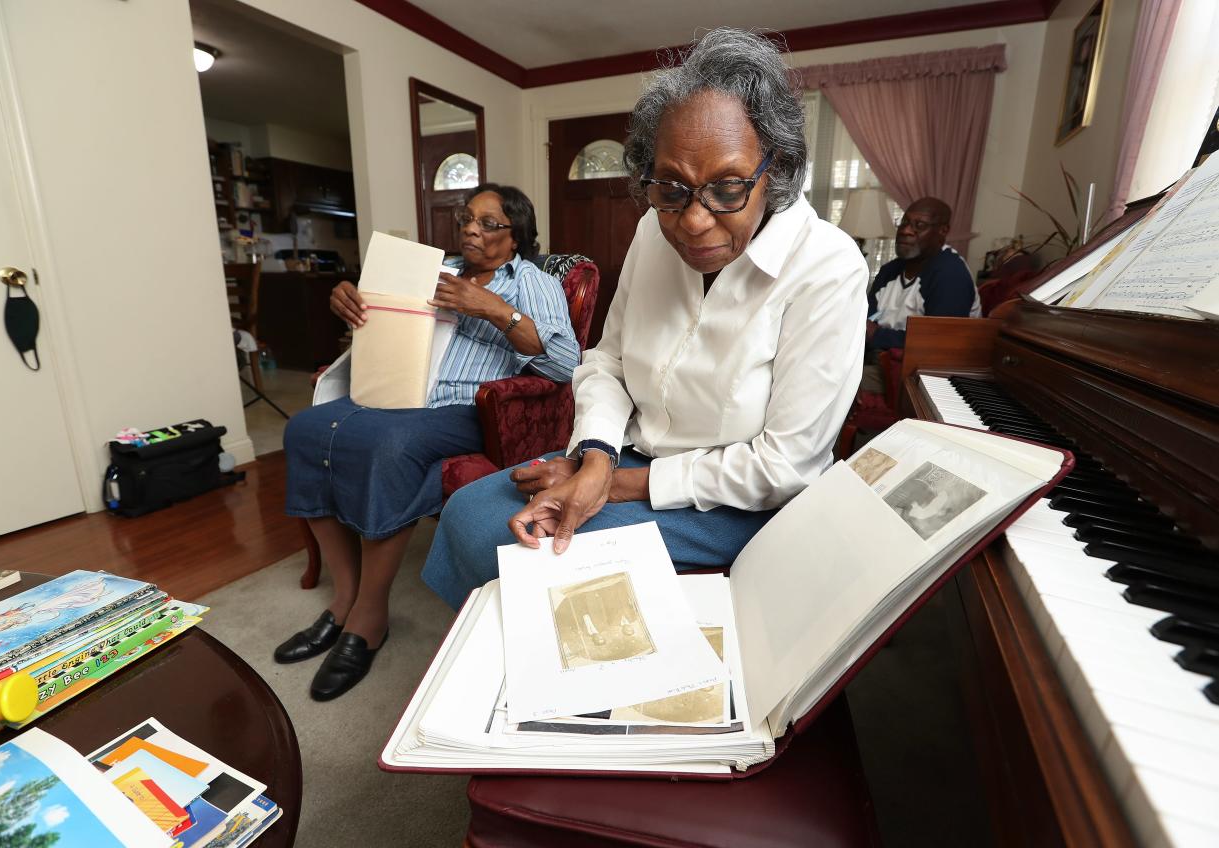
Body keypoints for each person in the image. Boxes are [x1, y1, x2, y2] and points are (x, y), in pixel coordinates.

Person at [420, 28, 869, 610]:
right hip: (629, 457)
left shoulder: (828, 267)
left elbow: (784, 466)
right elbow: (606, 362)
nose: (693, 222)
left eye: (728, 188)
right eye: (671, 189)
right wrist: (598, 456)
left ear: (774, 169)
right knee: (466, 511)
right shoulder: (651, 233)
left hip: (741, 504)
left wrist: (615, 485)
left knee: (515, 554)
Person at [275, 183, 581, 701]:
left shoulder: (528, 281)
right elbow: (385, 328)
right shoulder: (430, 271)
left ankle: (368, 619)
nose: (470, 229)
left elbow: (562, 362)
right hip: (396, 393)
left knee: (386, 445)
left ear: (517, 236)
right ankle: (343, 599)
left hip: (465, 410)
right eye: (467, 219)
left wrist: (491, 307)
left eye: (489, 223)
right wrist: (351, 300)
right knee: (304, 430)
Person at [863, 197, 979, 392]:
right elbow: (865, 323)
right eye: (905, 223)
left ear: (943, 231)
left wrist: (877, 334)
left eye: (919, 225)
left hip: (921, 375)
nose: (906, 230)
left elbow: (939, 344)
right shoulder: (889, 271)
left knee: (830, 384)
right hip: (879, 360)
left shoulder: (950, 275)